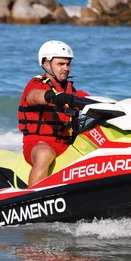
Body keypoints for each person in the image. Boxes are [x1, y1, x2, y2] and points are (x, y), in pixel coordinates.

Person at [18, 40, 89, 186]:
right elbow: (33, 96)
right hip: (38, 143)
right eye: (61, 64)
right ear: (46, 64)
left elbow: (91, 100)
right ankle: (33, 199)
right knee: (44, 154)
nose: (66, 68)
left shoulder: (73, 92)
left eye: (68, 64)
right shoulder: (36, 84)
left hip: (67, 144)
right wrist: (53, 97)